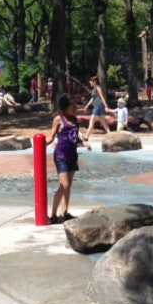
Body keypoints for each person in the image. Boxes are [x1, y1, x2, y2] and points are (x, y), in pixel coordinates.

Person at [45, 94, 91, 225]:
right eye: (72, 107)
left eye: (75, 106)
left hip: (72, 155)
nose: (74, 109)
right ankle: (53, 215)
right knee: (63, 185)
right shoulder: (58, 119)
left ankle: (64, 213)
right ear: (65, 107)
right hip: (61, 155)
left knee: (69, 184)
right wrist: (41, 144)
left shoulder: (75, 119)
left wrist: (83, 142)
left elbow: (74, 137)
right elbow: (51, 137)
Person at [84, 75, 111, 141]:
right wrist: (87, 106)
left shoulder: (98, 88)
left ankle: (86, 137)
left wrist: (106, 106)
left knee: (91, 121)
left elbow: (102, 97)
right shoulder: (94, 89)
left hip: (98, 106)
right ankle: (110, 135)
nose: (90, 82)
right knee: (103, 122)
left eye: (91, 81)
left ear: (95, 81)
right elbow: (93, 98)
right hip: (97, 106)